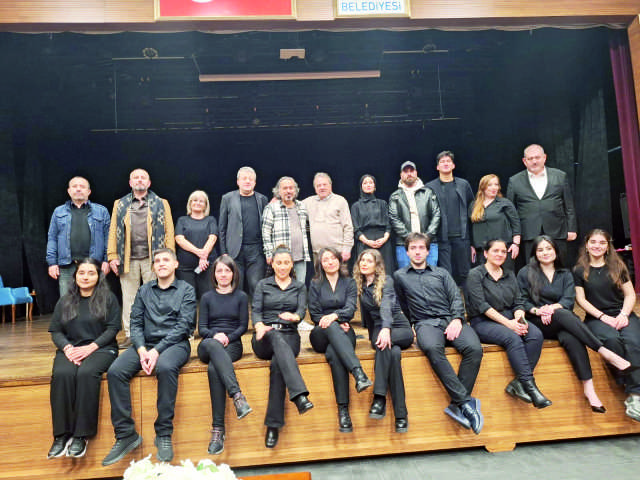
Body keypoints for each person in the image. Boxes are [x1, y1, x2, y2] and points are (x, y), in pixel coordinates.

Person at [102, 248, 196, 466]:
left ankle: (163, 433)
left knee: (165, 367)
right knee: (115, 371)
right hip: (146, 345)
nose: (161, 263)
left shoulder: (186, 290)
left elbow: (184, 326)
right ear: (153, 267)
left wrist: (156, 350)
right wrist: (142, 349)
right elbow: (135, 323)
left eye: (166, 260)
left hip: (175, 344)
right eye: (157, 261)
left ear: (175, 264)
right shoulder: (144, 290)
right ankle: (126, 434)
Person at [518, 235, 632, 412]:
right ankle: (604, 352)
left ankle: (589, 389)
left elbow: (568, 300)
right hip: (538, 321)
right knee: (564, 314)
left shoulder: (565, 273)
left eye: (548, 248)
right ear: (535, 253)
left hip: (561, 320)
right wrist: (538, 311)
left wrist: (551, 308)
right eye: (540, 250)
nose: (545, 252)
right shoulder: (525, 273)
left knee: (572, 337)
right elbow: (521, 301)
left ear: (556, 251)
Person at [393, 232, 484, 434]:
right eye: (413, 248)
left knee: (474, 349)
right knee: (432, 348)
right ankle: (465, 403)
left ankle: (457, 405)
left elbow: (456, 298)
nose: (417, 252)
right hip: (425, 323)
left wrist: (457, 319)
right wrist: (411, 325)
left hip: (450, 319)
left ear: (428, 251)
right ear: (407, 252)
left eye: (421, 248)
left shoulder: (441, 273)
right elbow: (402, 304)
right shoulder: (399, 276)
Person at [47, 258, 120, 459]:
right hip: (71, 349)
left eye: (91, 273)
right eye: (81, 273)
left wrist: (90, 348)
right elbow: (56, 331)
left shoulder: (108, 298)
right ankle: (61, 435)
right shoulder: (65, 300)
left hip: (101, 348)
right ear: (75, 276)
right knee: (62, 374)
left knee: (87, 373)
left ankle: (81, 435)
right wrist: (67, 348)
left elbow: (113, 329)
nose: (85, 277)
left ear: (98, 277)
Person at [465, 239, 551, 409]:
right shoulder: (475, 274)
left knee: (535, 335)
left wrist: (520, 320)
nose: (500, 254)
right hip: (483, 321)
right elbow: (482, 306)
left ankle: (518, 383)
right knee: (513, 338)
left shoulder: (509, 274)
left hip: (510, 318)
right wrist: (509, 325)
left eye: (503, 252)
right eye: (495, 251)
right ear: (486, 253)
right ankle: (531, 387)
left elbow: (518, 302)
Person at [574, 229, 640, 421]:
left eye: (602, 242)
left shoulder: (618, 266)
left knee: (633, 342)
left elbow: (630, 294)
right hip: (597, 318)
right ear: (587, 245)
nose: (597, 246)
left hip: (622, 314)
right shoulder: (579, 270)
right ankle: (626, 383)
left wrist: (623, 314)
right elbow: (581, 300)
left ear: (608, 246)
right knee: (612, 340)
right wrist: (603, 317)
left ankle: (635, 396)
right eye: (593, 242)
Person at [251, 246, 313, 449]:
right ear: (273, 264)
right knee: (274, 335)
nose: (283, 266)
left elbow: (301, 312)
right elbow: (256, 311)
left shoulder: (299, 286)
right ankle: (299, 395)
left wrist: (294, 317)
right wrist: (259, 326)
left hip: (289, 336)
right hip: (264, 337)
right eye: (279, 263)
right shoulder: (263, 285)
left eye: (287, 263)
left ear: (292, 264)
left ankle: (273, 425)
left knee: (278, 363)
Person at [107, 168, 175, 349]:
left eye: (143, 177)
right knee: (130, 298)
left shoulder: (161, 203)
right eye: (135, 178)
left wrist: (169, 256)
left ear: (149, 183)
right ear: (130, 183)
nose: (139, 180)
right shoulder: (120, 204)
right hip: (127, 259)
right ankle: (131, 335)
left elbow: (169, 231)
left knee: (156, 297)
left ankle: (157, 333)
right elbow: (113, 231)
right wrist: (112, 256)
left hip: (154, 259)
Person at [308, 247, 371, 433]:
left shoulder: (349, 282)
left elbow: (351, 309)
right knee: (331, 327)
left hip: (344, 330)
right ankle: (358, 372)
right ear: (321, 264)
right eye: (325, 260)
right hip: (320, 333)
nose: (330, 262)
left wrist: (335, 316)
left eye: (333, 258)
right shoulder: (315, 283)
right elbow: (314, 314)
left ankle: (344, 413)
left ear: (339, 260)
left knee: (335, 355)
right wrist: (334, 320)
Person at [353, 249, 413, 433]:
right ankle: (401, 415)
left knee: (384, 344)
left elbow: (386, 305)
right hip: (379, 330)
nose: (364, 263)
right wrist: (373, 335)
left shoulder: (386, 281)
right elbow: (368, 317)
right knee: (392, 353)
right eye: (362, 260)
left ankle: (379, 398)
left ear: (377, 265)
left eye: (369, 261)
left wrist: (386, 329)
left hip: (399, 327)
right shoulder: (360, 284)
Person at [198, 255, 252, 455]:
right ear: (214, 274)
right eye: (219, 270)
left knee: (214, 369)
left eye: (227, 270)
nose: (223, 274)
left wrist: (228, 337)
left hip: (232, 345)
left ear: (233, 273)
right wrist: (216, 336)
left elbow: (243, 326)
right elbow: (202, 328)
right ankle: (237, 396)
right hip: (208, 344)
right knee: (213, 346)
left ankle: (218, 431)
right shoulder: (207, 297)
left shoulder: (241, 297)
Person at [506, 144, 577, 261]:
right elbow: (510, 211)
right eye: (530, 158)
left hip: (557, 230)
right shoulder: (514, 181)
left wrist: (572, 229)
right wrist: (514, 236)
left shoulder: (560, 176)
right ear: (524, 161)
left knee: (559, 265)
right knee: (532, 267)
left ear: (544, 157)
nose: (534, 161)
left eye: (537, 157)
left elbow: (569, 205)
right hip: (528, 232)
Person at [46, 176, 110, 296]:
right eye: (74, 186)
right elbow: (52, 238)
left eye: (82, 186)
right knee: (67, 302)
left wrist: (107, 260)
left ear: (89, 191)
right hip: (67, 266)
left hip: (93, 265)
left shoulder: (101, 211)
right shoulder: (58, 212)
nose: (78, 189)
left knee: (94, 302)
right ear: (69, 191)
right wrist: (52, 263)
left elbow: (109, 238)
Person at [218, 166, 269, 297]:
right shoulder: (227, 198)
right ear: (238, 182)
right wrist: (224, 252)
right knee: (236, 285)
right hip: (234, 250)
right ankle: (237, 309)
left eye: (250, 179)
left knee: (256, 284)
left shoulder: (262, 199)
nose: (247, 181)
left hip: (256, 250)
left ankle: (256, 309)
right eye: (244, 178)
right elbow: (222, 228)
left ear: (255, 182)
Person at [426, 151, 475, 285]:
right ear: (437, 167)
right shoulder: (430, 187)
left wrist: (473, 242)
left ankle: (467, 299)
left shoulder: (463, 184)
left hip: (462, 237)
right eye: (442, 162)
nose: (445, 164)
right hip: (441, 238)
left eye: (448, 161)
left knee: (465, 272)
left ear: (453, 165)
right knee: (445, 274)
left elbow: (472, 210)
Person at [388, 161, 441, 269]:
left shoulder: (428, 192)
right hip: (404, 244)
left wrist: (426, 237)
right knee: (406, 276)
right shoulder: (395, 196)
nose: (409, 174)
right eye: (406, 171)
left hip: (429, 243)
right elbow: (394, 218)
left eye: (411, 171)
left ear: (416, 173)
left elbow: (436, 214)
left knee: (431, 276)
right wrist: (409, 239)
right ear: (401, 175)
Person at [261, 176, 311, 284]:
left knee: (300, 286)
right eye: (285, 188)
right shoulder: (271, 208)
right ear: (278, 191)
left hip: (300, 256)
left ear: (295, 190)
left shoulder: (302, 206)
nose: (288, 191)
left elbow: (307, 227)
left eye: (291, 188)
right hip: (281, 259)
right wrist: (269, 254)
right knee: (281, 286)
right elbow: (265, 233)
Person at [469, 174, 521, 271]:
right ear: (483, 187)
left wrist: (516, 244)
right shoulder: (474, 205)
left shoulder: (504, 203)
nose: (494, 188)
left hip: (502, 249)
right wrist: (471, 246)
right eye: (490, 185)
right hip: (481, 251)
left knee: (505, 275)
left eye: (496, 185)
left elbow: (516, 224)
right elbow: (470, 227)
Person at [175, 190, 218, 300]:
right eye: (194, 200)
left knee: (208, 297)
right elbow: (179, 239)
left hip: (207, 265)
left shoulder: (211, 220)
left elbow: (213, 238)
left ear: (206, 205)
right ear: (190, 203)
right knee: (188, 298)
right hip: (185, 268)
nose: (197, 203)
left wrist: (204, 257)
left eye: (201, 201)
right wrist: (200, 253)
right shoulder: (182, 220)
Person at [303, 172, 354, 264]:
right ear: (315, 188)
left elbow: (348, 227)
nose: (322, 187)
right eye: (318, 185)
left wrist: (347, 249)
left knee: (339, 274)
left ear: (330, 185)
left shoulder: (340, 201)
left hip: (337, 252)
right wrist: (277, 199)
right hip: (318, 253)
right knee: (319, 274)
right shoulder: (308, 202)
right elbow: (291, 204)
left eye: (324, 184)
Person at [350, 174, 394, 275]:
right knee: (365, 273)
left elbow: (388, 224)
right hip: (364, 241)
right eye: (365, 183)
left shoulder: (382, 203)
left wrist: (384, 239)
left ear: (375, 186)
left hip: (382, 241)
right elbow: (355, 228)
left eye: (370, 182)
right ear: (361, 186)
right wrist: (367, 241)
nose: (368, 185)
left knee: (385, 271)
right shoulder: (356, 206)